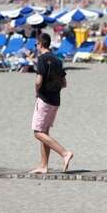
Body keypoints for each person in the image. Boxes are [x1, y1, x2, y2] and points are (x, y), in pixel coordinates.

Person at [30, 33, 74, 174]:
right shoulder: (57, 59)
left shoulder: (42, 59)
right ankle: (44, 166)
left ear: (41, 44)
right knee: (45, 132)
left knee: (37, 133)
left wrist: (37, 91)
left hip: (45, 99)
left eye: (36, 44)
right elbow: (64, 83)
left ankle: (64, 153)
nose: (36, 47)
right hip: (55, 100)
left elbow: (38, 81)